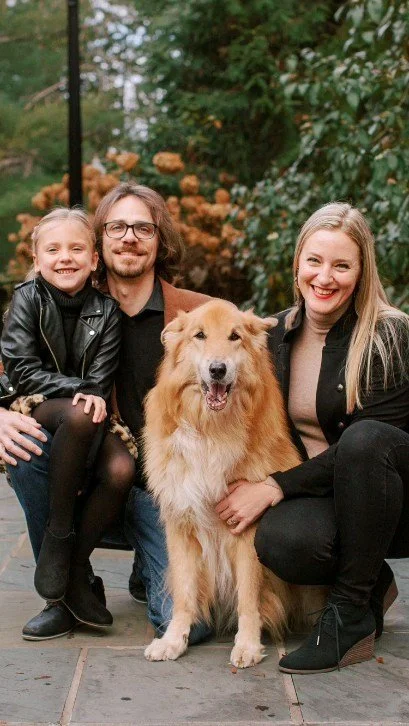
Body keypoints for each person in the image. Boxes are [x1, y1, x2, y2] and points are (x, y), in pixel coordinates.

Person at [1, 182, 212, 643]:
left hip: (168, 496)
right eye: (117, 227)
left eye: (143, 228)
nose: (129, 237)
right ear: (101, 243)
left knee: (192, 627)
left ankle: (142, 564)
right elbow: (11, 366)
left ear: (160, 239)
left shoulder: (199, 315)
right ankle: (65, 591)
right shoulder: (60, 296)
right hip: (85, 479)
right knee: (26, 446)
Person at [215, 202, 409, 674]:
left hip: (390, 497)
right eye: (314, 261)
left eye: (342, 265)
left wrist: (274, 486)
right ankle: (372, 580)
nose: (324, 277)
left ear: (361, 273)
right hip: (320, 492)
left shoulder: (389, 335)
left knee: (364, 439)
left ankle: (349, 615)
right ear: (297, 264)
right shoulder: (273, 335)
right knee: (280, 542)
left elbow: (366, 450)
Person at [1, 207, 136, 629]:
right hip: (36, 404)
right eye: (53, 249)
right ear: (36, 258)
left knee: (121, 467)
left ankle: (73, 567)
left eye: (77, 249)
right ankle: (59, 533)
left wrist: (87, 393)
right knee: (80, 414)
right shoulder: (27, 298)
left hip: (87, 410)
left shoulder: (107, 310)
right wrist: (78, 389)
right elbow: (21, 370)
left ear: (94, 259)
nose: (65, 257)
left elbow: (101, 378)